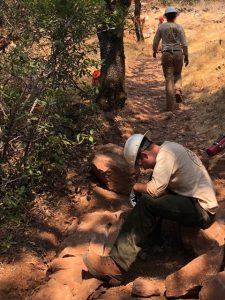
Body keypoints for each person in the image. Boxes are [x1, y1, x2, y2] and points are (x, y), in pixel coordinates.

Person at [83, 131, 218, 284]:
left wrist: (135, 187)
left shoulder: (166, 156)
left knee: (148, 200)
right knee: (150, 188)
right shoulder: (168, 149)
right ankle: (150, 241)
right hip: (192, 200)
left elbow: (154, 190)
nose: (143, 168)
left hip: (201, 209)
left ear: (145, 155)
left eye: (140, 165)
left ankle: (116, 266)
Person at [153, 7, 189, 111]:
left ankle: (169, 107)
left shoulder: (161, 27)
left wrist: (154, 50)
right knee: (177, 74)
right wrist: (186, 55)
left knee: (169, 78)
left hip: (166, 54)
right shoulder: (179, 27)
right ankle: (178, 90)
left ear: (166, 16)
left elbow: (155, 42)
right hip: (178, 53)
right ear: (175, 16)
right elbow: (185, 44)